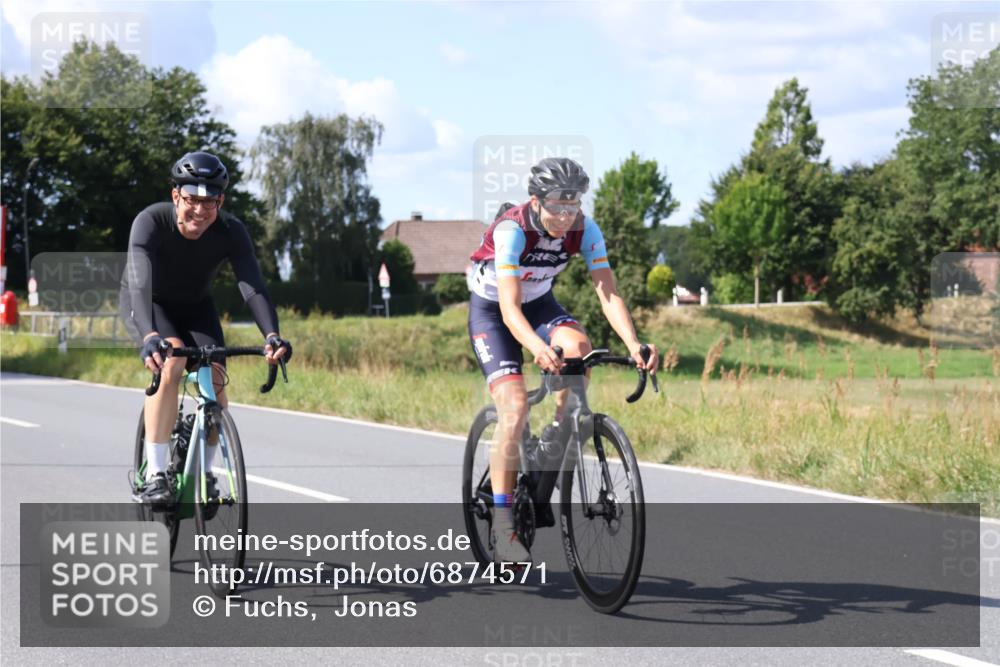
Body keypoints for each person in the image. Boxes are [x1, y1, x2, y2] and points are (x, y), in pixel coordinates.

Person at [467, 157, 658, 565]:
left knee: (580, 351)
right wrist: (536, 349)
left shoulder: (585, 230)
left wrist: (634, 343)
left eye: (572, 207)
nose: (565, 216)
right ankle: (504, 526)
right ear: (535, 201)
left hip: (540, 304)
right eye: (557, 207)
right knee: (515, 407)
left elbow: (607, 291)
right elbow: (508, 307)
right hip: (495, 311)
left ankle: (555, 436)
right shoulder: (512, 232)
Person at [119, 151, 291, 505]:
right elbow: (138, 283)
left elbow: (253, 286)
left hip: (197, 307)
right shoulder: (150, 222)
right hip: (150, 302)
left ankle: (205, 474)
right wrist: (150, 336)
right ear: (175, 196)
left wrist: (271, 335)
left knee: (215, 378)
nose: (199, 210)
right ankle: (155, 472)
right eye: (191, 200)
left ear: (221, 200)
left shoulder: (231, 231)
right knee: (173, 363)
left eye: (209, 202)